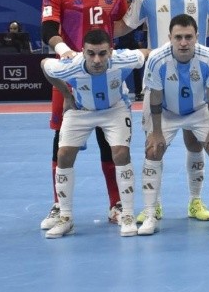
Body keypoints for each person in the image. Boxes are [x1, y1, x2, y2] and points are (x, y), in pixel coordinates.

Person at [113, 0, 209, 224]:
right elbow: (124, 27)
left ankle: (195, 202)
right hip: (158, 86)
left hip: (196, 85)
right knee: (154, 147)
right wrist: (84, 33)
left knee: (196, 145)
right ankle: (154, 205)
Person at [39, 0, 129, 231]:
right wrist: (65, 51)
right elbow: (49, 28)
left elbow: (120, 24)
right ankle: (58, 205)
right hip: (70, 75)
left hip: (105, 74)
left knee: (110, 140)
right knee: (62, 144)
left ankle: (116, 204)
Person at [40, 29, 148, 238]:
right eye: (91, 54)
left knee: (120, 153)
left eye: (102, 53)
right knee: (63, 155)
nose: (97, 60)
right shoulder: (70, 65)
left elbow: (148, 53)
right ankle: (66, 217)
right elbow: (44, 65)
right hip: (81, 111)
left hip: (114, 109)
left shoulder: (123, 59)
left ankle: (126, 215)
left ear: (110, 51)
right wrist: (65, 94)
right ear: (82, 51)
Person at [137, 14, 209, 235]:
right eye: (178, 37)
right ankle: (151, 210)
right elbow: (155, 97)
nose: (183, 42)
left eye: (189, 37)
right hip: (165, 110)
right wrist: (156, 133)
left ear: (197, 37)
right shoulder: (157, 59)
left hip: (198, 109)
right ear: (170, 37)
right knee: (153, 149)